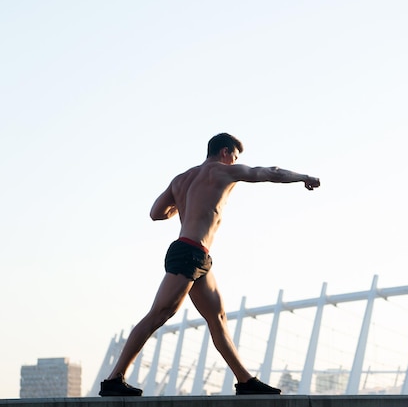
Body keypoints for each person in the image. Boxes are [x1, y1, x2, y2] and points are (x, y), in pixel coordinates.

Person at [99, 133, 320, 396]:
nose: (235, 164)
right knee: (159, 314)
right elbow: (267, 172)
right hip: (189, 253)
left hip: (198, 255)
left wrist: (183, 206)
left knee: (218, 318)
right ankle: (114, 379)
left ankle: (245, 381)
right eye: (235, 158)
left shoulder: (181, 179)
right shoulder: (222, 172)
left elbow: (156, 213)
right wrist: (303, 177)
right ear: (225, 152)